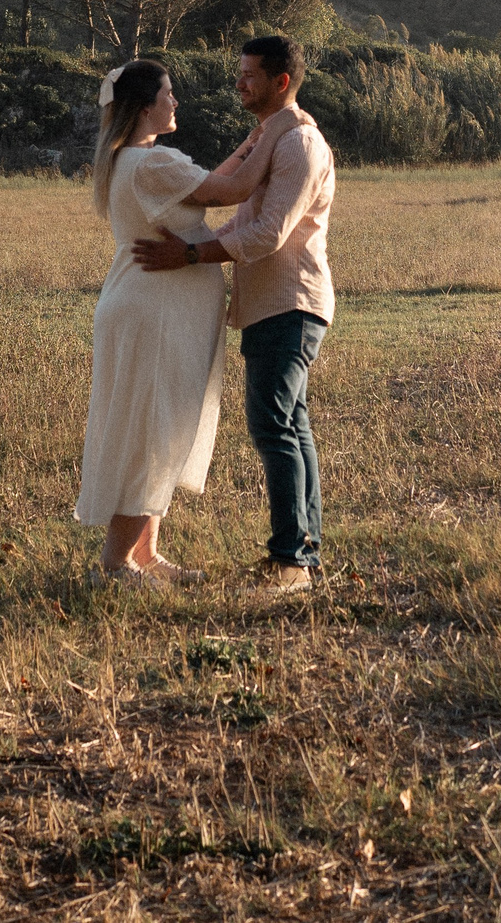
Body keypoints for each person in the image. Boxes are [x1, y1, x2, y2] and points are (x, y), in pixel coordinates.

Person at [134, 35, 335, 594]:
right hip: (271, 304)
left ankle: (292, 562)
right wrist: (194, 246)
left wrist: (192, 254)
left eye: (250, 75)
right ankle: (300, 556)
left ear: (281, 82)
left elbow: (268, 233)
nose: (239, 83)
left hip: (291, 302)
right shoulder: (272, 138)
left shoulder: (298, 144)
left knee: (274, 424)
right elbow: (240, 215)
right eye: (240, 72)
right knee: (289, 424)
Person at [76, 58, 265, 589]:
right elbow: (230, 191)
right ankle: (116, 565)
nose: (175, 101)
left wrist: (252, 141)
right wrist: (276, 136)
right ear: (145, 107)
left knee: (158, 423)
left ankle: (147, 554)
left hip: (149, 306)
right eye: (168, 94)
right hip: (154, 311)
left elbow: (212, 182)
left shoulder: (134, 161)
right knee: (150, 429)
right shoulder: (152, 163)